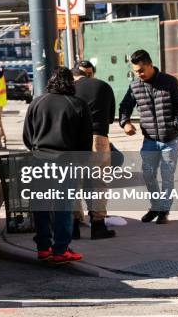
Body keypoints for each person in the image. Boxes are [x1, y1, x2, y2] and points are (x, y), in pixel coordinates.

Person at [23, 67, 92, 264]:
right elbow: (85, 140)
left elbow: (27, 136)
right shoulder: (78, 104)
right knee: (64, 207)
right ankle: (61, 249)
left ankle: (43, 247)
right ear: (71, 83)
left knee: (41, 205)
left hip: (39, 160)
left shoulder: (37, 103)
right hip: (66, 161)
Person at [119, 50, 178, 225]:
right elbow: (125, 106)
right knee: (148, 175)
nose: (139, 74)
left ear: (150, 65)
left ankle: (164, 211)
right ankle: (156, 206)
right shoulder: (135, 86)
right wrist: (125, 122)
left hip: (170, 140)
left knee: (167, 176)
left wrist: (175, 125)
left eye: (141, 70)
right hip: (149, 140)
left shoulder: (169, 82)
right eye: (136, 71)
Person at [71, 67, 116, 240]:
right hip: (99, 138)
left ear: (73, 77)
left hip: (75, 140)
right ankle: (98, 226)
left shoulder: (69, 88)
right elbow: (111, 117)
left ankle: (73, 226)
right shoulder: (103, 86)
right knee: (99, 183)